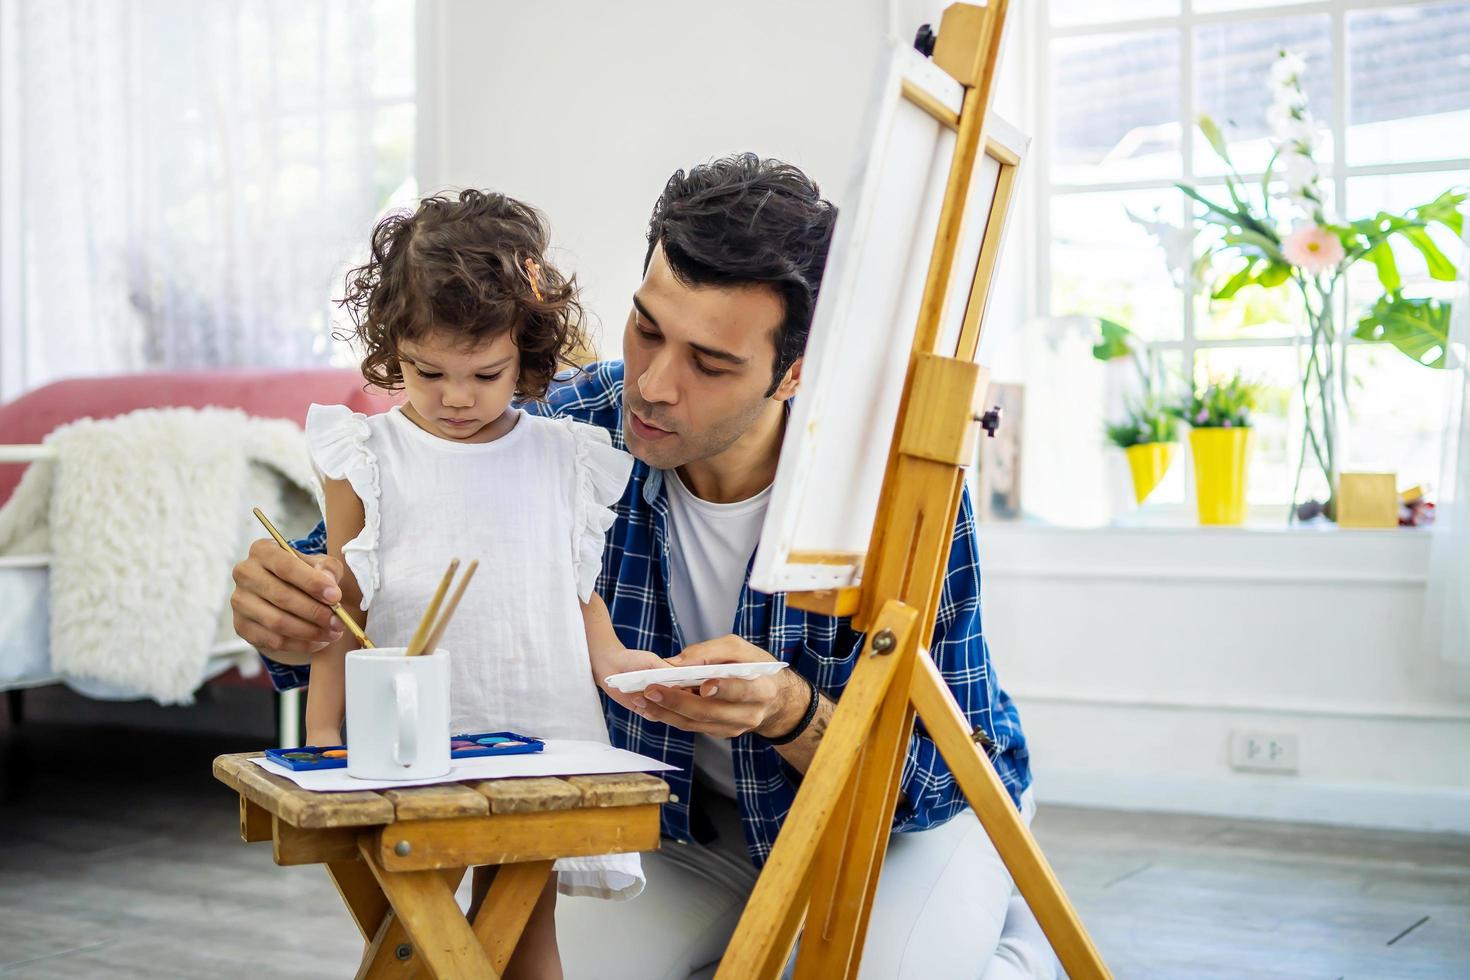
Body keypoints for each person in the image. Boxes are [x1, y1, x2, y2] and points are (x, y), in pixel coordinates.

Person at [234, 155, 1049, 979]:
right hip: (678, 829)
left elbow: (940, 777)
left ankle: (1011, 956)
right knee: (499, 960)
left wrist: (790, 712)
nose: (653, 386)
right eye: (648, 328)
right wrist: (281, 606)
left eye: (712, 363)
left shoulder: (892, 494)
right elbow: (367, 558)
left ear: (794, 373)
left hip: (888, 830)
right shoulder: (569, 425)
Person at [274, 188, 664, 980]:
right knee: (417, 935)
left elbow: (578, 585)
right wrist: (320, 737)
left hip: (540, 720)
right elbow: (337, 601)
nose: (455, 398)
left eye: (485, 374)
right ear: (393, 349)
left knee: (526, 933)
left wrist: (618, 661)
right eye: (428, 372)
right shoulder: (365, 452)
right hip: (402, 732)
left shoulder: (568, 455)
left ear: (528, 349)